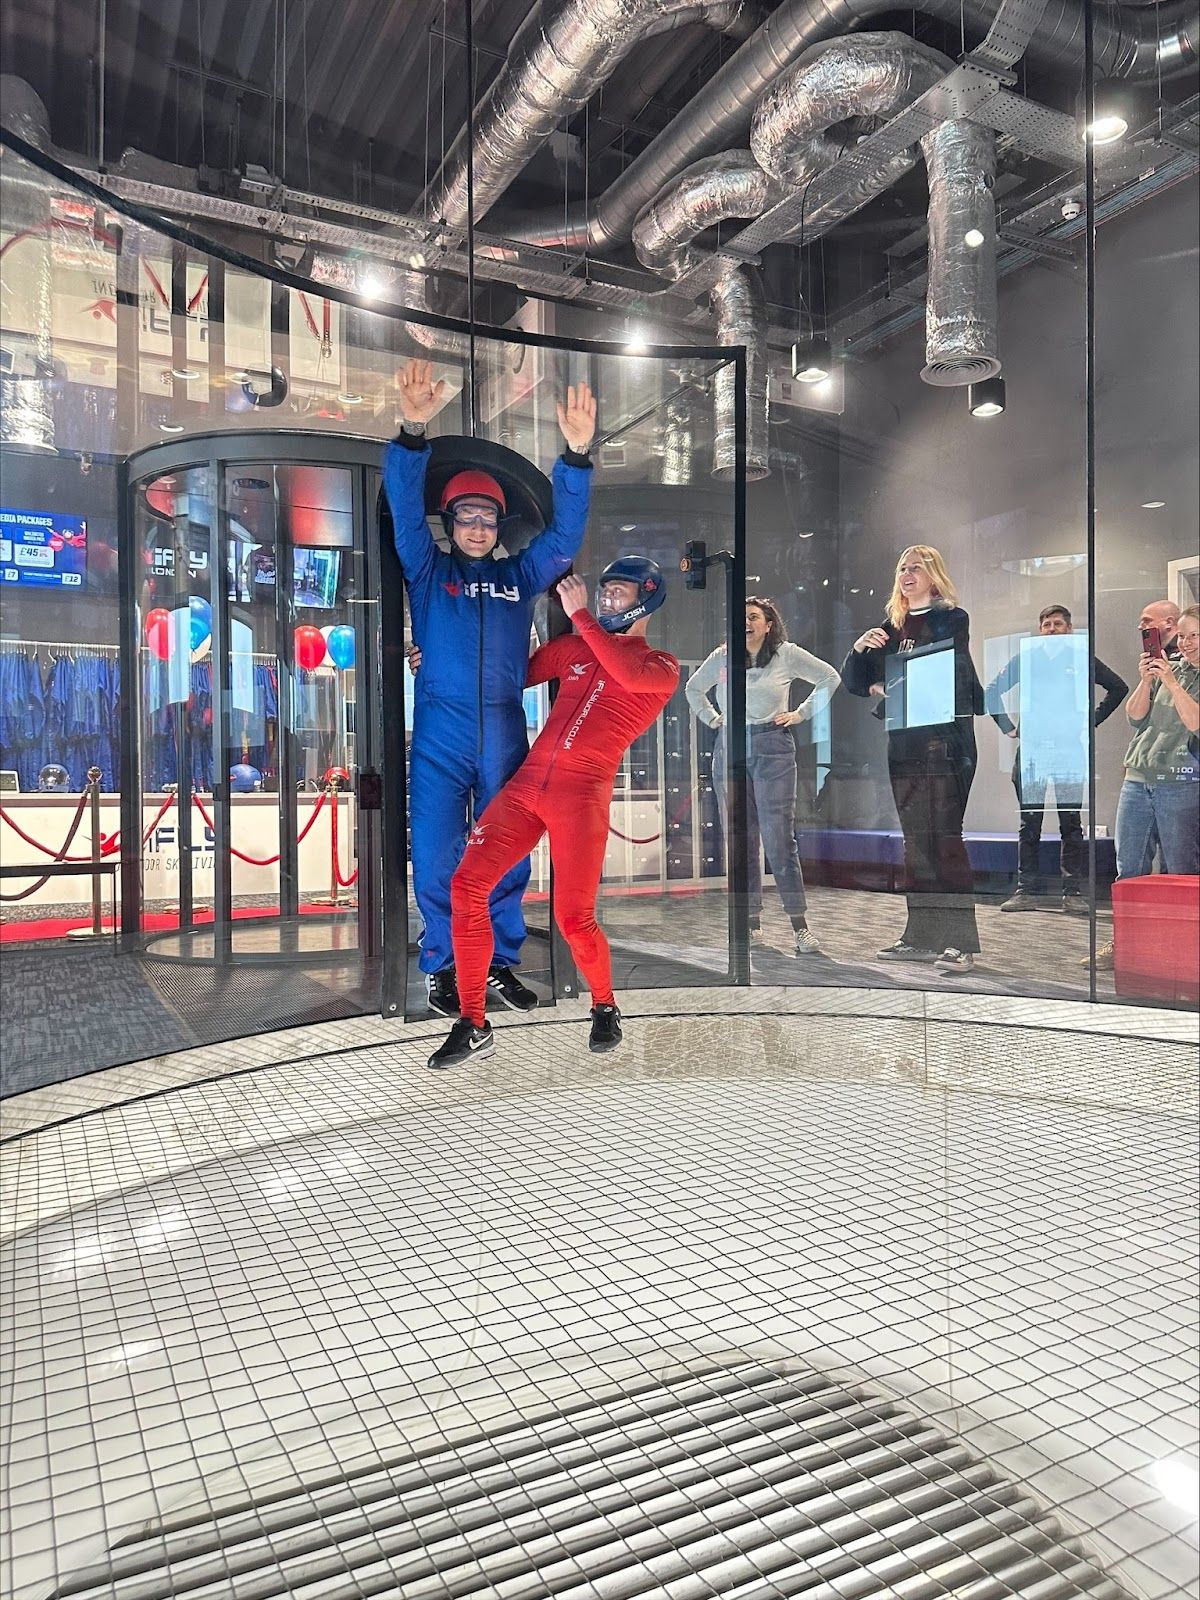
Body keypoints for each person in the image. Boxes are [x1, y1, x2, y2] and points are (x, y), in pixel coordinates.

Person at [384, 358, 597, 1018]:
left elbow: (564, 538)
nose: (477, 528)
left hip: (506, 728)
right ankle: (444, 965)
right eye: (466, 517)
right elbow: (404, 513)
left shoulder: (519, 578)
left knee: (507, 849)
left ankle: (500, 961)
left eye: (487, 519)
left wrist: (576, 458)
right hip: (439, 734)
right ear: (450, 523)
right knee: (437, 853)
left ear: (499, 527)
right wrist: (412, 432)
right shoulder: (428, 571)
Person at [428, 559, 679, 1069]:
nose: (607, 599)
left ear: (647, 599)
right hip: (527, 787)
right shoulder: (575, 649)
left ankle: (604, 1005)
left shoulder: (661, 666)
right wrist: (432, 658)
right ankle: (473, 1024)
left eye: (619, 592)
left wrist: (580, 615)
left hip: (580, 798)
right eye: (604, 591)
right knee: (466, 887)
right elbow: (506, 675)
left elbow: (625, 673)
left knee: (572, 919)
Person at [842, 545, 984, 976]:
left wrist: (891, 677)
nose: (907, 573)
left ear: (933, 575)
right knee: (915, 843)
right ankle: (920, 937)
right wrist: (860, 651)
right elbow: (854, 681)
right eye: (902, 568)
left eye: (916, 568)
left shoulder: (952, 618)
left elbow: (943, 665)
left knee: (945, 839)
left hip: (945, 741)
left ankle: (960, 943)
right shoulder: (890, 627)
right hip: (904, 743)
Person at [686, 597, 840, 955]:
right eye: (741, 617)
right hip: (731, 746)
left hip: (773, 746)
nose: (747, 623)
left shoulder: (786, 654)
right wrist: (712, 719)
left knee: (779, 839)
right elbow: (693, 689)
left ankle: (799, 927)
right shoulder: (723, 657)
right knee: (740, 839)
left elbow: (829, 677)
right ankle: (751, 923)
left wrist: (801, 714)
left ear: (769, 624)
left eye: (754, 617)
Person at [986, 603, 1127, 913]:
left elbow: (1118, 687)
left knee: (1071, 823)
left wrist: (1091, 721)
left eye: (1058, 624)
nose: (1052, 629)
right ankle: (1026, 891)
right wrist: (1008, 726)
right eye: (1047, 625)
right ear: (1040, 630)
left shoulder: (1080, 657)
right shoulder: (1027, 659)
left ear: (1069, 629)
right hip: (1033, 751)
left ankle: (1072, 893)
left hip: (1068, 750)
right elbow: (991, 692)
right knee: (1029, 823)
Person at [1089, 603, 1200, 970]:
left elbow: (1196, 722)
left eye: (1194, 636)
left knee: (1180, 871)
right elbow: (1135, 717)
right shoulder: (1172, 668)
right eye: (1182, 636)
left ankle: (1181, 951)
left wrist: (1171, 683)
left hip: (1181, 783)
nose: (1186, 643)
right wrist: (1148, 680)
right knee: (1129, 868)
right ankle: (1125, 944)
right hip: (1138, 780)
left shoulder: (1180, 677)